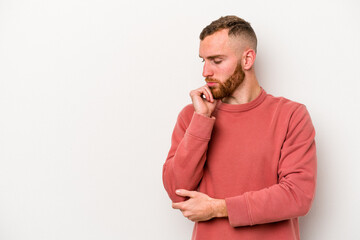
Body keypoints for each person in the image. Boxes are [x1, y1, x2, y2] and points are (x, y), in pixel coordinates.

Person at [162, 15, 317, 240]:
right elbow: (177, 191)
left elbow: (297, 196)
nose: (206, 71)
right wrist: (202, 121)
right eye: (203, 60)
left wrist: (218, 208)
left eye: (216, 61)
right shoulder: (193, 116)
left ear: (247, 59)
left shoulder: (291, 115)